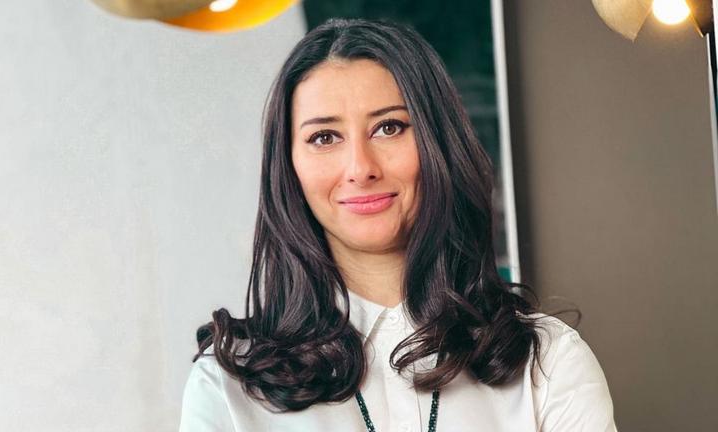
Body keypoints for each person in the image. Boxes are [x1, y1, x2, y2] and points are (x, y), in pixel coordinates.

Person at [178, 17, 617, 432]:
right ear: (288, 167)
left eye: (389, 127)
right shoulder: (226, 386)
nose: (360, 168)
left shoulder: (549, 363)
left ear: (438, 144)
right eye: (324, 137)